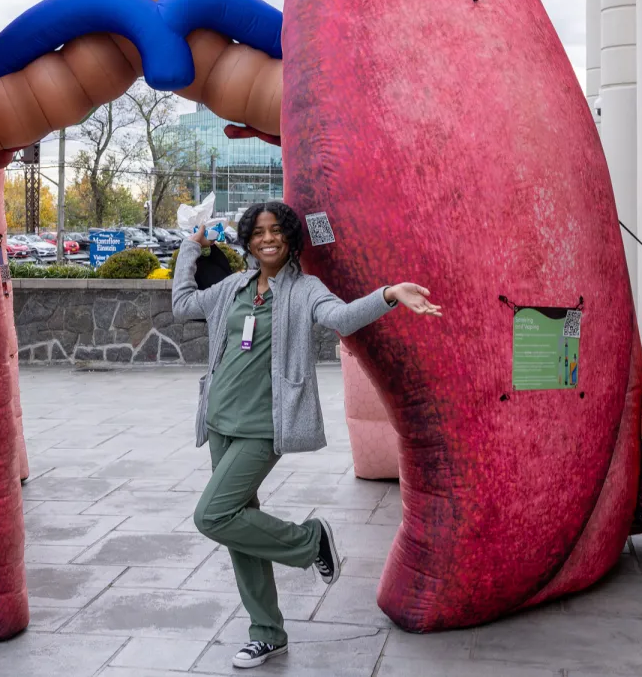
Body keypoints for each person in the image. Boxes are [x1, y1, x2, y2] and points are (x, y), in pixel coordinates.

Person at [171, 201, 442, 669]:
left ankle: (310, 540)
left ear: (291, 238)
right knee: (240, 527)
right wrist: (189, 249)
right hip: (218, 423)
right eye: (257, 232)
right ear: (248, 241)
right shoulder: (233, 287)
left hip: (262, 428)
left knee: (212, 516)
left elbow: (342, 318)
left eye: (276, 231)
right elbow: (181, 305)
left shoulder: (304, 290)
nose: (267, 239)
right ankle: (267, 633)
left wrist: (389, 293)